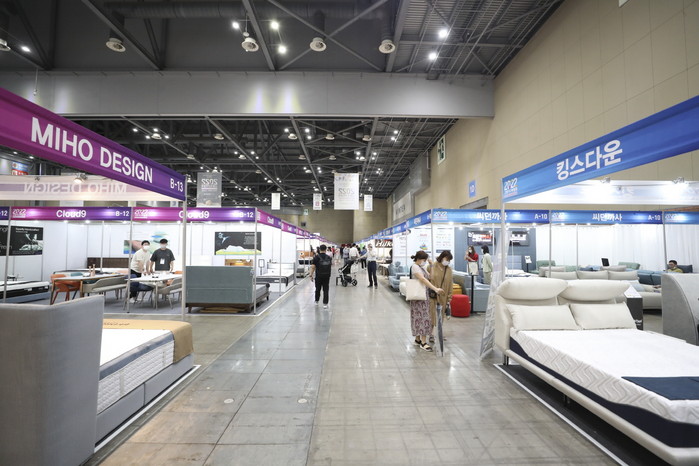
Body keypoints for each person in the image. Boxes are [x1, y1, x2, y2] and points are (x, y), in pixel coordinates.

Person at [409, 250, 444, 352]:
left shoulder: (421, 267)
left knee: (419, 317)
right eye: (424, 260)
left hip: (422, 296)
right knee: (423, 318)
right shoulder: (415, 267)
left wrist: (431, 265)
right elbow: (423, 280)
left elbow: (430, 277)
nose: (424, 262)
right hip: (419, 297)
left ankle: (418, 339)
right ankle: (423, 342)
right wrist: (435, 289)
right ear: (419, 259)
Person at [429, 251, 454, 341]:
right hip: (433, 294)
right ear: (442, 257)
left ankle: (439, 333)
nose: (447, 261)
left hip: (444, 295)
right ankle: (431, 334)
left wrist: (449, 297)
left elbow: (450, 283)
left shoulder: (449, 270)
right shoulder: (433, 266)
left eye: (449, 260)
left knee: (441, 315)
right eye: (446, 259)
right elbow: (429, 279)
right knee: (432, 314)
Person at [310, 244, 332, 309]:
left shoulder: (316, 257)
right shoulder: (329, 257)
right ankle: (325, 304)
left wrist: (311, 275)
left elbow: (313, 267)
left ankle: (316, 301)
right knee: (326, 289)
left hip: (318, 276)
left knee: (318, 289)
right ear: (326, 249)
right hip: (327, 276)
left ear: (319, 249)